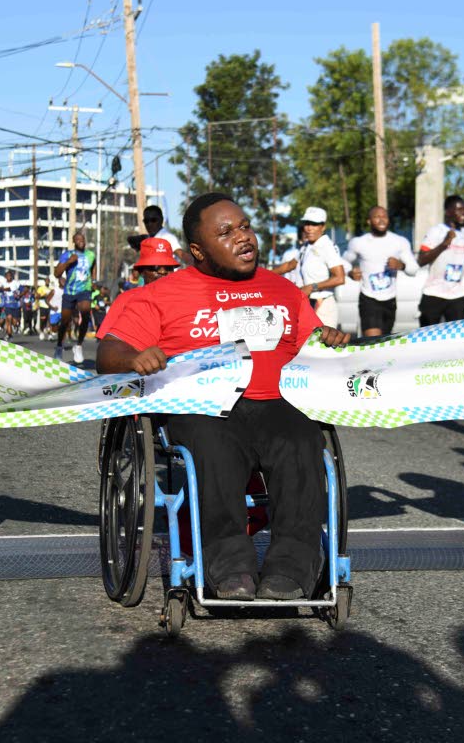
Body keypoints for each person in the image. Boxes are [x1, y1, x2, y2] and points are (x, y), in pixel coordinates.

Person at [97, 192, 350, 601]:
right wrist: (133, 356)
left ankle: (293, 569)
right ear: (197, 250)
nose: (243, 237)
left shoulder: (284, 289)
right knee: (212, 450)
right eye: (226, 232)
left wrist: (329, 339)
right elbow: (109, 352)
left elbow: (314, 342)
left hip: (277, 402)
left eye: (245, 226)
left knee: (304, 441)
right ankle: (230, 568)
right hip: (204, 406)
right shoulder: (161, 295)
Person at [341, 205, 418, 337]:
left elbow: (414, 269)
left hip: (390, 299)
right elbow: (343, 262)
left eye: (384, 217)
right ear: (369, 221)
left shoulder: (399, 242)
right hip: (369, 298)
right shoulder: (359, 242)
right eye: (377, 217)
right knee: (373, 341)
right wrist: (350, 273)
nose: (381, 220)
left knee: (385, 342)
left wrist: (401, 265)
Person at [417, 196, 464, 329]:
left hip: (458, 295)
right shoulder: (436, 231)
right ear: (448, 212)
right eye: (459, 209)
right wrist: (444, 244)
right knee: (428, 338)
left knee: (458, 340)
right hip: (434, 294)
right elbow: (421, 260)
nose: (463, 213)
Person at [288, 207, 346, 328]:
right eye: (306, 223)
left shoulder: (326, 246)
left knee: (323, 346)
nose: (309, 228)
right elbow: (290, 265)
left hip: (323, 304)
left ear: (323, 227)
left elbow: (340, 278)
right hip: (308, 303)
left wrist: (312, 287)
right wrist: (263, 273)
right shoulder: (307, 245)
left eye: (314, 224)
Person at [54, 232, 96, 364]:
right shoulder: (67, 255)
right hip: (69, 291)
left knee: (85, 312)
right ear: (74, 242)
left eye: (82, 239)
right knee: (65, 321)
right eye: (78, 239)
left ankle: (78, 346)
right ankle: (59, 346)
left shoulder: (90, 255)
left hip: (84, 290)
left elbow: (93, 267)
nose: (81, 241)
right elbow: (57, 273)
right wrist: (68, 262)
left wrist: (93, 280)